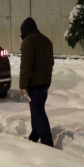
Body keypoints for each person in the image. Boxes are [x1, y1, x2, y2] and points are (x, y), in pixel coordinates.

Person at [19, 17, 54, 147]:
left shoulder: (29, 41)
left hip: (34, 84)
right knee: (36, 110)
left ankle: (47, 140)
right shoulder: (46, 40)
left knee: (38, 112)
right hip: (45, 82)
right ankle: (35, 134)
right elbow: (51, 62)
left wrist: (23, 85)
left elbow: (26, 66)